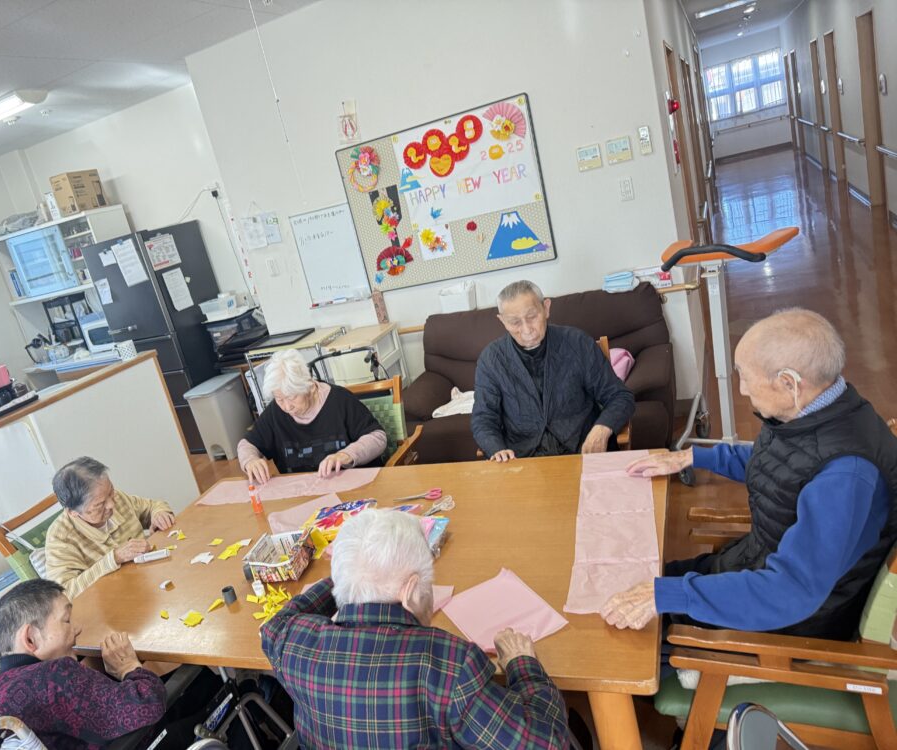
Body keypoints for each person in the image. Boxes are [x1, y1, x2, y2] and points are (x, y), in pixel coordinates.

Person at [601, 308, 897, 639]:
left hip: (793, 618)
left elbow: (790, 592)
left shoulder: (846, 473)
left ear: (789, 383)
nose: (742, 390)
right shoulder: (815, 411)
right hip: (757, 564)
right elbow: (779, 464)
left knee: (633, 637)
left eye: (745, 376)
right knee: (630, 580)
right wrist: (693, 456)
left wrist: (671, 596)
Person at [261, 509, 569, 749]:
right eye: (427, 583)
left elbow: (273, 626)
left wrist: (352, 578)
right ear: (409, 591)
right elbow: (550, 743)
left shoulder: (292, 641)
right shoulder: (448, 664)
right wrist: (523, 666)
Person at [0, 579, 165, 749]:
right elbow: (148, 703)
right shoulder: (55, 676)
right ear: (30, 639)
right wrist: (128, 667)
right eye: (66, 620)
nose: (77, 628)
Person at [472, 280, 635, 461]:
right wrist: (496, 448)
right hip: (524, 460)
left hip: (583, 451)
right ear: (502, 321)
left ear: (546, 308)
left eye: (532, 316)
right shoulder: (491, 360)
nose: (526, 329)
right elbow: (483, 418)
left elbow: (620, 396)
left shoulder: (577, 343)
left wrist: (602, 429)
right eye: (515, 322)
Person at [239, 348, 387, 483]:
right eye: (279, 399)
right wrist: (250, 460)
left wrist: (345, 455)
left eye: (292, 397)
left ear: (309, 386)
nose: (287, 406)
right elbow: (246, 444)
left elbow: (378, 437)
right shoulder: (275, 413)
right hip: (306, 495)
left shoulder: (340, 401)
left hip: (356, 489)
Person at [44, 456, 176, 599]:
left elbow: (152, 506)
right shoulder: (60, 538)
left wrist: (159, 514)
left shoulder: (114, 498)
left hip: (151, 583)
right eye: (100, 504)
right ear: (73, 512)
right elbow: (64, 594)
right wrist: (114, 558)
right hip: (112, 604)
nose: (111, 504)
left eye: (111, 491)